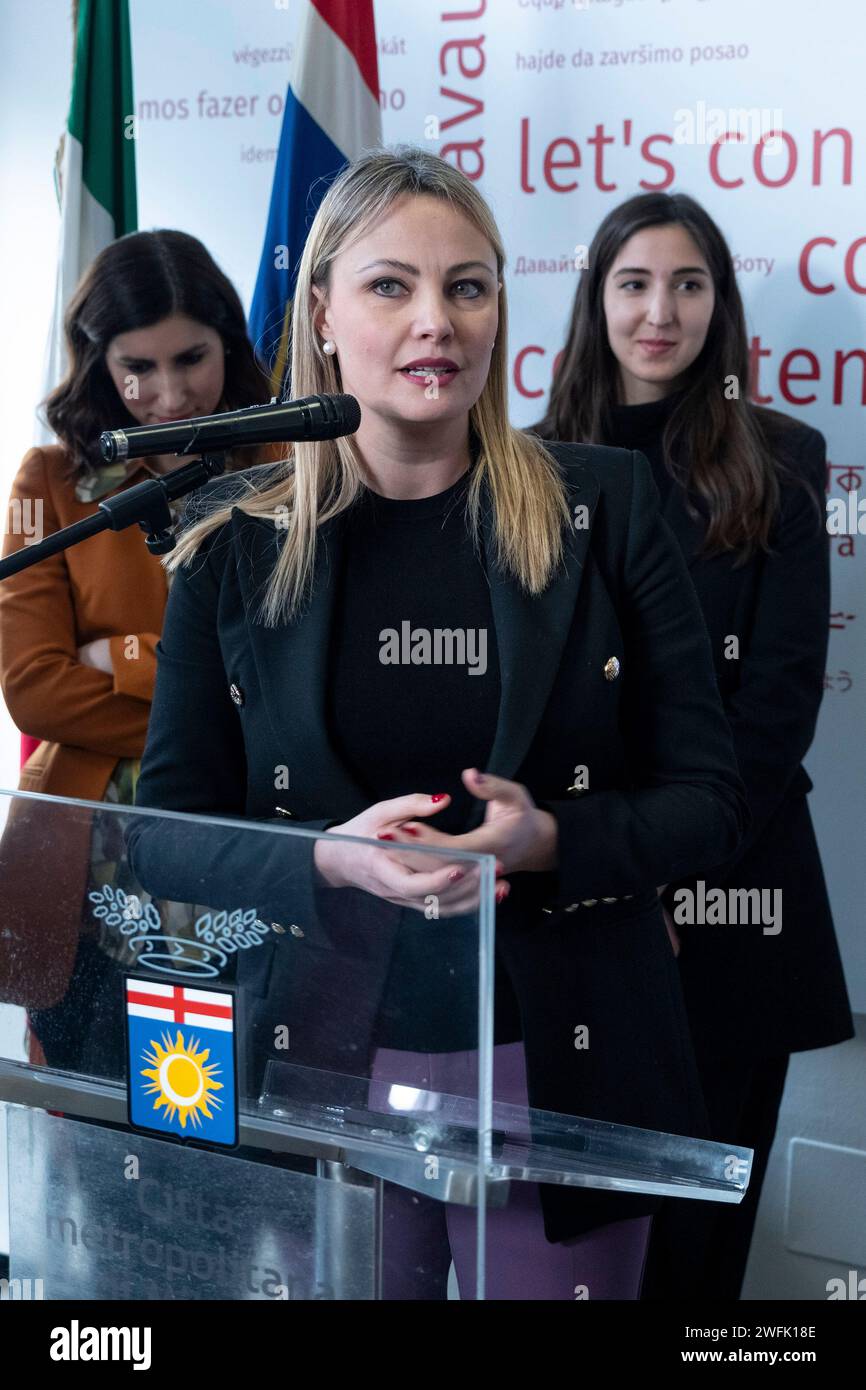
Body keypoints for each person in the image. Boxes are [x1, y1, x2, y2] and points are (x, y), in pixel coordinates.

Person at [132, 146, 748, 1300]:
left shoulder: (603, 507)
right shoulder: (229, 537)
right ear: (319, 311)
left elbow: (708, 802)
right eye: (390, 286)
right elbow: (165, 830)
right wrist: (327, 854)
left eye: (467, 286)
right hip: (314, 1055)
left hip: (562, 1057)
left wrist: (547, 839)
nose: (437, 321)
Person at [532, 190, 854, 1300]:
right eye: (632, 283)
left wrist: (672, 878)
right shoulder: (528, 466)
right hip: (570, 895)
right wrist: (605, 876)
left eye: (686, 283)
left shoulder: (781, 459)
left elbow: (773, 711)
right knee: (569, 1232)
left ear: (717, 307)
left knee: (696, 1246)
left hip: (732, 892)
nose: (657, 310)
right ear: (595, 301)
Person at [0, 229, 277, 1074]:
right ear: (99, 365)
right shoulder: (46, 481)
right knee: (93, 1131)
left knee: (246, 1140)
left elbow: (280, 680)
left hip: (252, 846)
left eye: (192, 358)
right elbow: (33, 691)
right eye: (137, 368)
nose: (169, 394)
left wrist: (111, 658)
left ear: (229, 342)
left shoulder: (289, 462)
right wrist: (196, 696)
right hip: (82, 869)